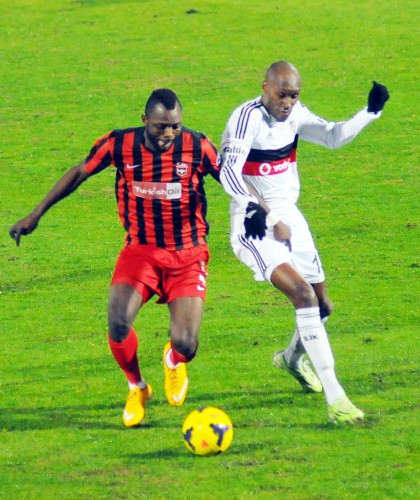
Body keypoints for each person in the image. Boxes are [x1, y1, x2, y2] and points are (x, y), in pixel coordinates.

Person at [9, 88, 221, 427]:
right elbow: (79, 173)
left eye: (175, 126)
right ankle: (137, 387)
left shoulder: (198, 147)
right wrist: (35, 215)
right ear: (144, 121)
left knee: (186, 344)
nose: (168, 134)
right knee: (119, 323)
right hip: (140, 250)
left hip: (188, 254)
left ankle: (173, 360)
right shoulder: (120, 144)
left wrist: (261, 212)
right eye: (160, 126)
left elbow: (233, 181)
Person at [219, 61, 389, 423]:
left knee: (322, 306)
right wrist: (262, 213)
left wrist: (370, 112)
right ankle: (337, 399)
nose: (287, 103)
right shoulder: (247, 118)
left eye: (293, 96)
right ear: (265, 87)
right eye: (281, 94)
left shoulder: (295, 114)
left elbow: (332, 136)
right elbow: (228, 171)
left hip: (290, 219)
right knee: (303, 295)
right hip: (254, 223)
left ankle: (291, 360)